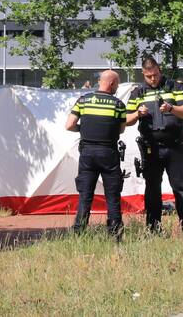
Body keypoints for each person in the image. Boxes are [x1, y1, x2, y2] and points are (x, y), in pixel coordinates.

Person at [125, 58, 183, 233]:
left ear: (160, 70)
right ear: (143, 74)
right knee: (152, 188)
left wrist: (172, 109)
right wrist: (137, 114)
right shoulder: (138, 92)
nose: (153, 79)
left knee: (181, 187)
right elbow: (126, 120)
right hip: (151, 148)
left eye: (155, 75)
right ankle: (153, 228)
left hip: (175, 145)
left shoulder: (174, 87)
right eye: (149, 76)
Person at [65, 69, 126, 240]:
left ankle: (78, 233)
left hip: (87, 153)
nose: (117, 88)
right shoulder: (118, 104)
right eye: (117, 84)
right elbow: (120, 129)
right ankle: (115, 235)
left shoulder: (83, 101)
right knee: (112, 196)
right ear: (112, 83)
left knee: (85, 196)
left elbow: (69, 125)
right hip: (109, 153)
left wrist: (83, 129)